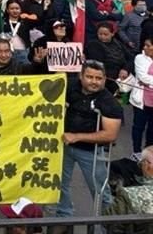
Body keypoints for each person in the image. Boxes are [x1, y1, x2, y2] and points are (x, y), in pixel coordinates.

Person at [56, 59, 124, 218]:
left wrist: (77, 137)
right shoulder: (71, 86)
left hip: (91, 151)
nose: (94, 81)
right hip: (63, 144)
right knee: (59, 184)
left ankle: (107, 222)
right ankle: (63, 217)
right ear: (81, 76)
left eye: (98, 78)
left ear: (105, 79)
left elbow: (110, 135)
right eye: (89, 77)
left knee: (100, 189)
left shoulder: (110, 103)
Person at [86, 22, 133, 93]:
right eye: (100, 34)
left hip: (122, 77)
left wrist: (125, 69)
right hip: (107, 80)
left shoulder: (118, 43)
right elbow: (99, 66)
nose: (102, 37)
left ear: (112, 34)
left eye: (106, 34)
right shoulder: (94, 44)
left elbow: (130, 58)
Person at [131, 38, 153, 160]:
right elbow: (142, 77)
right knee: (138, 126)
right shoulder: (140, 58)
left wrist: (149, 82)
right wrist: (147, 81)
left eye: (148, 45)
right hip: (142, 100)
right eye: (145, 45)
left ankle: (149, 154)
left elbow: (146, 80)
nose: (144, 48)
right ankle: (136, 152)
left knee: (152, 129)